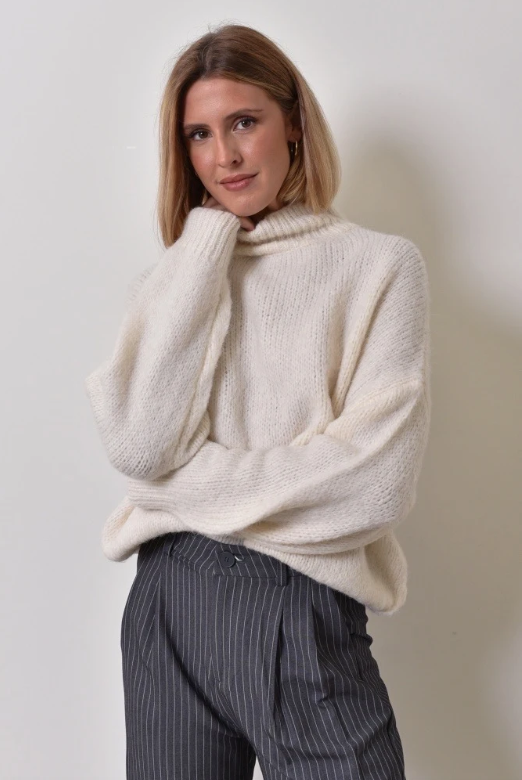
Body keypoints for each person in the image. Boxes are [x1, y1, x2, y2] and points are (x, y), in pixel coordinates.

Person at [85, 22, 431, 780]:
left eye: (244, 122)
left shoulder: (376, 269)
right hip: (169, 600)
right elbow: (139, 447)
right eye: (199, 135)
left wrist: (177, 489)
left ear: (294, 121)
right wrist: (206, 242)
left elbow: (374, 483)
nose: (225, 156)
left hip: (300, 603)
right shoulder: (174, 282)